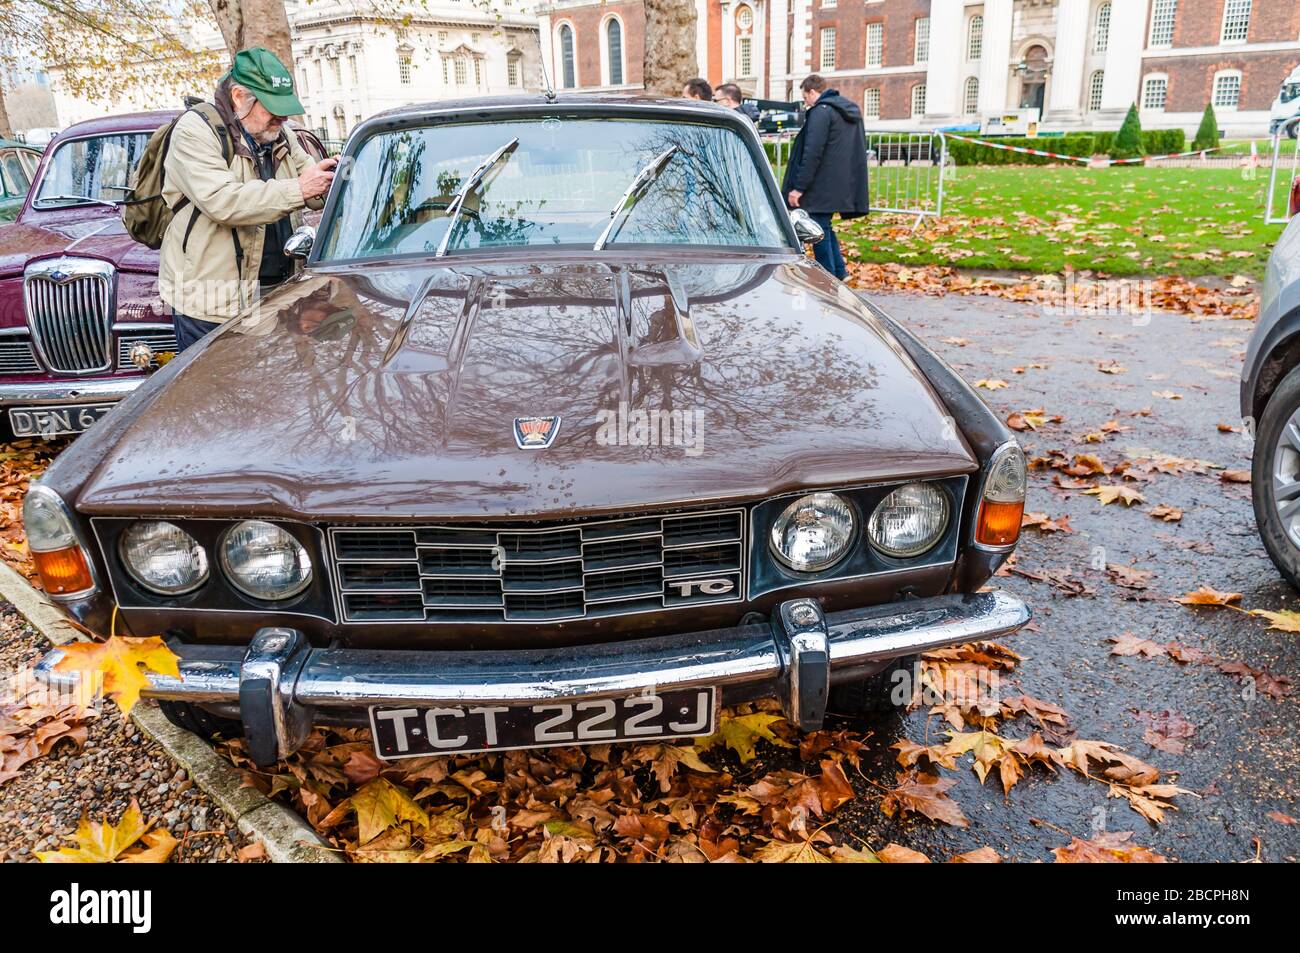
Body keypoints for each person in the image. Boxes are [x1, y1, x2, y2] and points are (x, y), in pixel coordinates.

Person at [159, 47, 337, 351]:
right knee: (210, 394)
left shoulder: (281, 133)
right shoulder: (195, 131)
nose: (282, 117)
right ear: (239, 97)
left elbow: (312, 185)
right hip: (211, 307)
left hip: (275, 297)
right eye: (272, 108)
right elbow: (223, 201)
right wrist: (300, 189)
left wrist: (335, 181)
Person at [781, 74, 869, 281]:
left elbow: (812, 152)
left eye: (805, 98)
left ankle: (827, 277)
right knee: (825, 227)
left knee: (817, 231)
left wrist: (798, 188)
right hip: (838, 183)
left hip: (820, 184)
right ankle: (839, 272)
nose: (805, 103)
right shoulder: (846, 111)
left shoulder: (821, 113)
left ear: (813, 92)